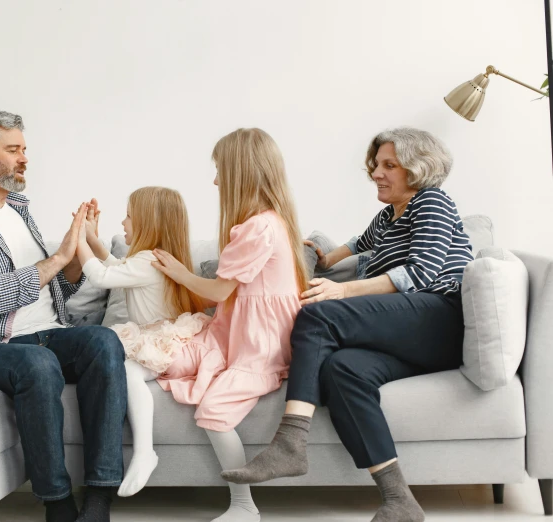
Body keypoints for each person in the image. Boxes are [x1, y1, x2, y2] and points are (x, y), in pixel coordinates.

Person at [222, 127, 474, 522]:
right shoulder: (391, 214)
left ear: (418, 169)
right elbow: (359, 243)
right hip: (407, 333)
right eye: (376, 164)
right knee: (343, 371)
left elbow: (422, 273)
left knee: (318, 314)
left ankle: (290, 440)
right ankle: (399, 500)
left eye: (390, 165)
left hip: (437, 317)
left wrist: (344, 291)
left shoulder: (432, 202)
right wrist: (321, 258)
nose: (376, 172)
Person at [0, 108, 127, 522]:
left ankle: (100, 496)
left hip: (51, 332)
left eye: (24, 149)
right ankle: (57, 502)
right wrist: (58, 256)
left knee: (103, 341)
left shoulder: (20, 210)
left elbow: (56, 287)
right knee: (38, 363)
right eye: (12, 149)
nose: (24, 158)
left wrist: (78, 247)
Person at [152, 128, 308, 522]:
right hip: (235, 328)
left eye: (220, 170)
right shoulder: (269, 222)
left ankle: (243, 505)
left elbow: (221, 291)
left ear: (240, 173)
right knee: (168, 361)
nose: (216, 180)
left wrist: (181, 273)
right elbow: (230, 298)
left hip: (261, 342)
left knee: (213, 409)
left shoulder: (258, 228)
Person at [75, 186, 208, 497]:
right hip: (171, 337)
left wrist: (79, 240)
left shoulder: (148, 260)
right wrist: (94, 240)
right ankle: (144, 453)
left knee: (130, 373)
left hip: (166, 341)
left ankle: (145, 451)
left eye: (129, 216)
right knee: (128, 369)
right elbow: (115, 269)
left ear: (148, 223)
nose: (123, 223)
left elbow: (101, 278)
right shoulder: (151, 258)